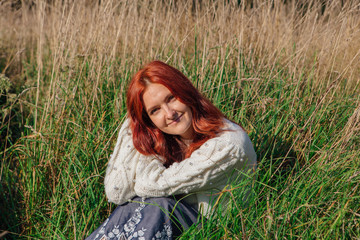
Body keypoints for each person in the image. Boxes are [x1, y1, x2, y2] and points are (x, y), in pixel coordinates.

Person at [86, 61, 257, 240]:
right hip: (179, 220)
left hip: (218, 229)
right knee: (133, 206)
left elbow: (152, 185)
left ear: (184, 90)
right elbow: (117, 192)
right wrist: (137, 129)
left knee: (159, 207)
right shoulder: (167, 137)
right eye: (155, 111)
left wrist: (142, 133)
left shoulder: (228, 144)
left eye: (171, 98)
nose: (169, 114)